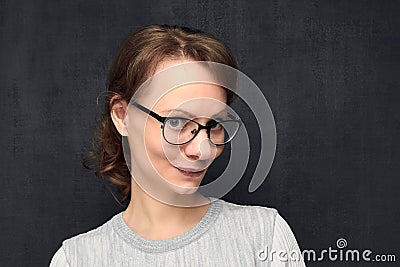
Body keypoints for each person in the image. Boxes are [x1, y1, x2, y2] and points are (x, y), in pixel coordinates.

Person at [49, 24, 306, 266]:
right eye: (176, 122)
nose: (202, 150)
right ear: (122, 115)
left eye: (215, 123)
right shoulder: (77, 260)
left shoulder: (265, 236)